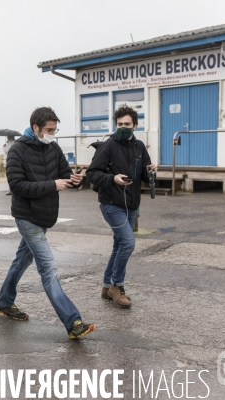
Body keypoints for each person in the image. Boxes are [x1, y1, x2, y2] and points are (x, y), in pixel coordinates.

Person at [0, 107, 95, 340]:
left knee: (21, 261)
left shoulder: (53, 146)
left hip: (45, 217)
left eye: (55, 129)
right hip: (27, 217)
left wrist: (75, 180)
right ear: (36, 128)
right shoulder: (17, 151)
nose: (53, 133)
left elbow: (63, 174)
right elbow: (17, 186)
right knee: (48, 268)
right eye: (49, 130)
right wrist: (52, 185)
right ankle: (73, 322)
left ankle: (4, 302)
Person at [86, 106, 157, 308]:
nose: (123, 128)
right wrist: (112, 178)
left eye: (127, 124)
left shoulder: (140, 147)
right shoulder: (108, 146)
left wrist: (151, 171)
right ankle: (117, 286)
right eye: (119, 124)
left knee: (119, 245)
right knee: (128, 243)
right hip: (111, 204)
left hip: (131, 205)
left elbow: (144, 175)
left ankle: (106, 286)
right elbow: (92, 173)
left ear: (135, 125)